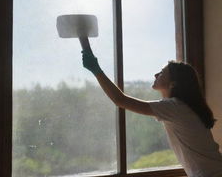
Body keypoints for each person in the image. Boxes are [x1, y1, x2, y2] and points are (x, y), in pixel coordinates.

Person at [81, 48, 222, 177]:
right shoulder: (185, 107)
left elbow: (120, 100)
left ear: (173, 84)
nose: (156, 74)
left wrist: (96, 70)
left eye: (161, 73)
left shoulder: (175, 107)